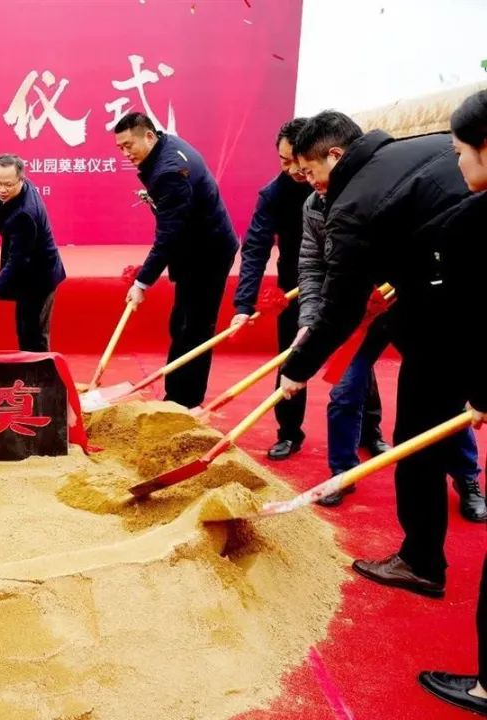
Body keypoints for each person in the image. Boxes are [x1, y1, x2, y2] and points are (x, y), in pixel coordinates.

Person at [280, 110, 485, 598]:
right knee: (446, 415)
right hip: (453, 301)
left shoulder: (353, 205)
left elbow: (341, 308)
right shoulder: (426, 145)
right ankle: (464, 489)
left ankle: (420, 562)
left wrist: (297, 369)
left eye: (310, 171)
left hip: (448, 319)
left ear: (335, 155)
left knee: (416, 439)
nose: (310, 183)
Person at [299, 172, 481, 513]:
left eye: (310, 169)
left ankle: (467, 477)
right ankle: (341, 473)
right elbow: (313, 265)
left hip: (408, 310)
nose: (305, 177)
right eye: (300, 169)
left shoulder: (388, 189)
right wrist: (312, 320)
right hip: (357, 317)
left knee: (443, 397)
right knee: (344, 393)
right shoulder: (313, 206)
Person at [416, 88, 487, 718]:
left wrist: (481, 391)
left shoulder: (471, 223)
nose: (457, 164)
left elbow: (472, 321)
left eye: (461, 151)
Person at [115, 112, 238, 408]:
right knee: (181, 324)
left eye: (129, 145)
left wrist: (142, 283)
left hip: (208, 253)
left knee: (195, 329)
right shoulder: (165, 146)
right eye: (120, 148)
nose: (125, 153)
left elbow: (168, 235)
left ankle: (186, 403)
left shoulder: (168, 171)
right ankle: (176, 395)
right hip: (193, 247)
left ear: (149, 136)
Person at [230, 118, 316, 459]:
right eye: (283, 160)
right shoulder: (274, 194)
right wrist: (243, 306)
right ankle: (289, 433)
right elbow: (255, 249)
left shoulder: (334, 185)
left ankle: (369, 430)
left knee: (353, 362)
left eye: (296, 160)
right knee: (291, 357)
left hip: (341, 281)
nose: (291, 169)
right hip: (294, 284)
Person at [0, 154, 65, 352]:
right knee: (25, 327)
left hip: (39, 276)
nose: (2, 189)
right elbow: (4, 195)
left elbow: (17, 260)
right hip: (30, 272)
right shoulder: (24, 186)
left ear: (20, 179)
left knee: (33, 334)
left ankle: (41, 371)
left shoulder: (25, 215)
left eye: (8, 185)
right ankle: (30, 367)